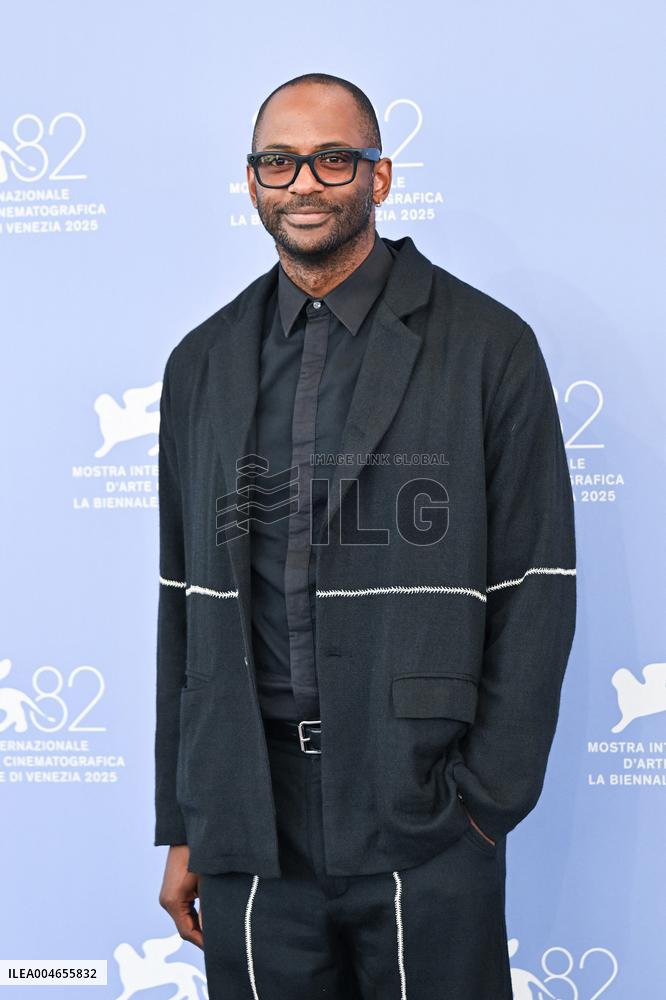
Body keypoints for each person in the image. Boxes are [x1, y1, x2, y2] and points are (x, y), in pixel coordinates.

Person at [154, 72, 577, 999]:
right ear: (252, 181)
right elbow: (183, 605)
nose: (303, 182)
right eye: (279, 161)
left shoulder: (488, 346)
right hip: (250, 815)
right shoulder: (201, 363)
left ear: (379, 177)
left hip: (425, 809)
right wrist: (188, 819)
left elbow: (537, 586)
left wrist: (482, 803)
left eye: (333, 159)